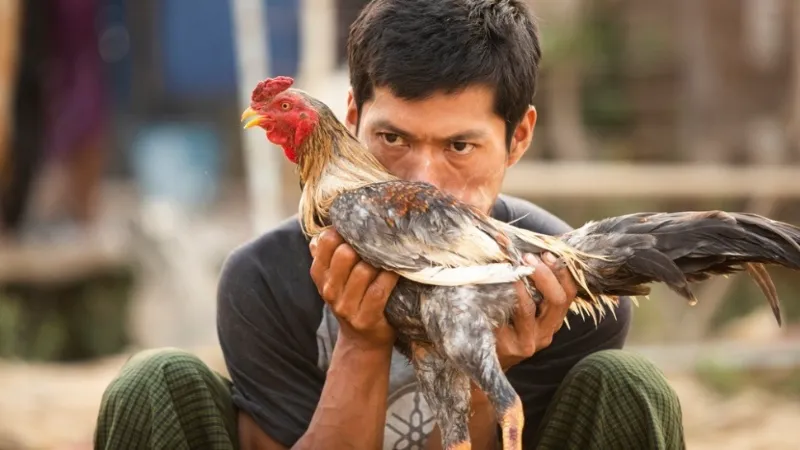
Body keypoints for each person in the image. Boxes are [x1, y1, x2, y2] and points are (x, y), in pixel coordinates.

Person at [94, 0, 685, 449]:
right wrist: (360, 343)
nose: (423, 179)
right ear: (351, 117)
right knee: (154, 382)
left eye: (459, 145)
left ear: (518, 138)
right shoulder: (265, 280)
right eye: (393, 138)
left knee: (628, 385)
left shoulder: (554, 286)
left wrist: (480, 370)